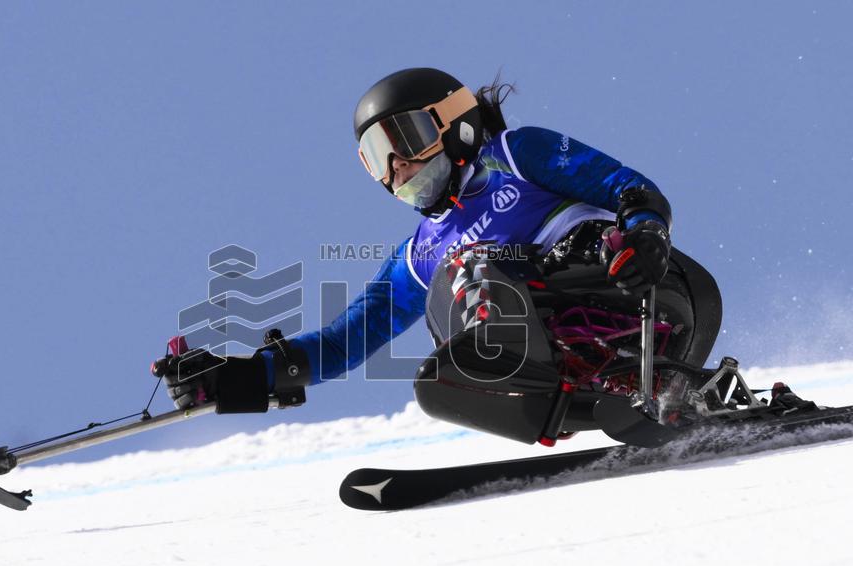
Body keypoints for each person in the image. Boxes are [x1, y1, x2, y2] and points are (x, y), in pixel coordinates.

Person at [158, 68, 694, 422]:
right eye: (377, 157)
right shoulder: (419, 254)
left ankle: (584, 361)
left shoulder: (514, 154)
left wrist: (645, 232)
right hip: (551, 355)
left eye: (406, 140)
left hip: (631, 289)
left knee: (468, 264)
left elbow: (625, 186)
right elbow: (346, 341)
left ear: (454, 125)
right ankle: (589, 388)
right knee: (448, 276)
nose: (397, 167)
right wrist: (244, 378)